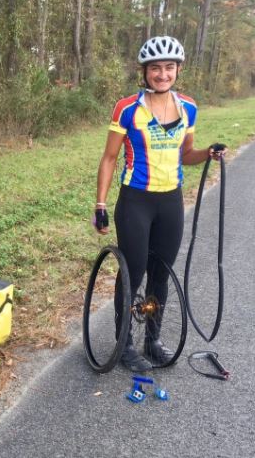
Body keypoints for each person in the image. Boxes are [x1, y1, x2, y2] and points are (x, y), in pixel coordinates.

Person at [94, 36, 227, 372]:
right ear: (145, 72)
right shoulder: (127, 108)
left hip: (170, 201)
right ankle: (124, 344)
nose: (163, 74)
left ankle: (152, 341)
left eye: (169, 67)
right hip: (135, 201)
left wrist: (208, 153)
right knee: (133, 272)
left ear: (178, 70)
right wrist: (100, 203)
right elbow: (110, 158)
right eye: (156, 68)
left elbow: (187, 154)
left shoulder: (189, 107)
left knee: (160, 275)